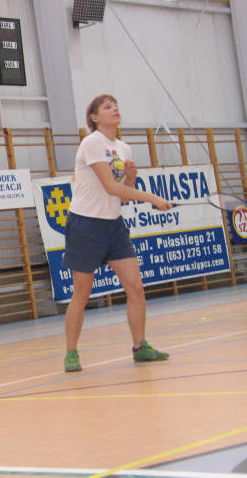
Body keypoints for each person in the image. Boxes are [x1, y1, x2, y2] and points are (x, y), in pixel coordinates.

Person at [63, 94, 172, 372]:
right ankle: (71, 352)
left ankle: (140, 346)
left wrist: (131, 178)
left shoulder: (123, 148)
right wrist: (152, 198)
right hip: (85, 225)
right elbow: (110, 187)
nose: (115, 109)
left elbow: (121, 195)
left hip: (113, 226)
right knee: (82, 294)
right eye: (107, 107)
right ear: (94, 117)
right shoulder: (92, 143)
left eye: (116, 106)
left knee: (135, 287)